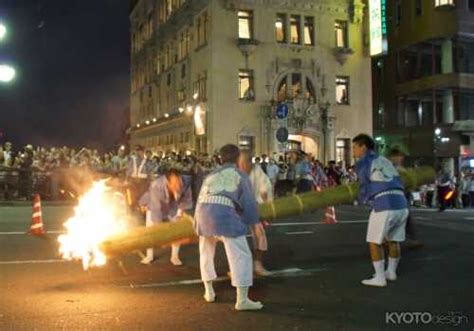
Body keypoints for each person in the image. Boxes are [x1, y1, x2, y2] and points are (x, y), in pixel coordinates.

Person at [194, 144, 263, 311]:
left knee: (206, 252)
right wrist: (252, 222)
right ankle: (242, 299)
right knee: (240, 254)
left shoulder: (211, 175)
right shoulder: (240, 175)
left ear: (220, 158)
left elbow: (201, 196)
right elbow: (248, 202)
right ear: (238, 158)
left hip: (202, 213)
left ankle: (209, 292)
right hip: (223, 214)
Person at [352, 134, 409, 287]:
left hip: (384, 203)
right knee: (393, 239)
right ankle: (391, 272)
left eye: (354, 147)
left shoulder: (364, 161)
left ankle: (379, 277)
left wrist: (361, 199)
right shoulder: (384, 160)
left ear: (363, 146)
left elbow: (364, 186)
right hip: (401, 203)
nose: (353, 151)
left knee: (373, 241)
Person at [138, 168, 192, 265]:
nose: (178, 186)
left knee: (177, 232)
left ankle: (175, 257)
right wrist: (161, 234)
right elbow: (156, 210)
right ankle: (149, 256)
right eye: (174, 183)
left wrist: (180, 214)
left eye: (179, 182)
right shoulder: (156, 186)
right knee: (151, 232)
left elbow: (185, 200)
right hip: (153, 205)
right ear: (168, 182)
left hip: (173, 206)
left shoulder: (186, 182)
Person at [238, 151, 272, 276]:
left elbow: (265, 188)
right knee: (235, 240)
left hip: (254, 208)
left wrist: (264, 201)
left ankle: (257, 264)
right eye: (240, 162)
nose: (242, 165)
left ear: (249, 162)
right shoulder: (235, 172)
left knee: (260, 236)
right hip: (237, 210)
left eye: (244, 162)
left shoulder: (257, 171)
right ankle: (237, 267)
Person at [387, 147, 423, 249]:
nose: (398, 159)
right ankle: (387, 238)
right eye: (396, 157)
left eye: (400, 156)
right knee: (390, 218)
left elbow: (411, 182)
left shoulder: (403, 170)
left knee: (406, 217)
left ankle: (412, 239)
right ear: (391, 158)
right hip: (391, 196)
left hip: (403, 195)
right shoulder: (388, 168)